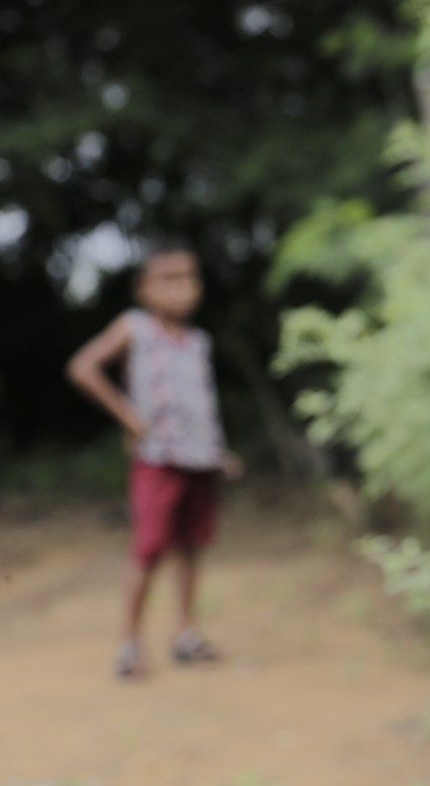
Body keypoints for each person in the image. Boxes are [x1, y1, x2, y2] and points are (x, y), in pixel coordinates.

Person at [66, 236, 243, 679]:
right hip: (156, 460)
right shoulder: (135, 328)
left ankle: (186, 634)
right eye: (168, 280)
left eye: (187, 278)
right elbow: (82, 367)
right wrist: (128, 416)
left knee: (192, 547)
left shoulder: (197, 342)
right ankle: (130, 646)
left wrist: (218, 453)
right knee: (148, 551)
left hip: (199, 461)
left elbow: (202, 406)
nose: (180, 289)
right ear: (144, 289)